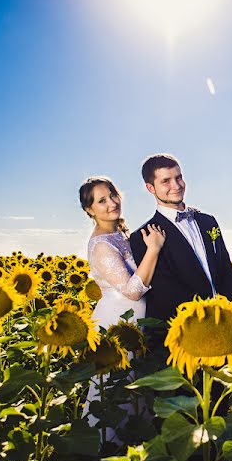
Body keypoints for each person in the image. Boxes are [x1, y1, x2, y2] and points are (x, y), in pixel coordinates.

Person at [78, 175, 166, 436]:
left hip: (135, 324)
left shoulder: (119, 234)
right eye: (101, 200)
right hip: (116, 323)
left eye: (113, 196)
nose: (111, 203)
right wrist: (154, 249)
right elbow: (132, 291)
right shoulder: (102, 245)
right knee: (116, 393)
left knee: (137, 391)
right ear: (89, 210)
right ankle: (104, 458)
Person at [129, 154, 232, 325]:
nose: (176, 185)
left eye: (178, 177)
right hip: (183, 331)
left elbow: (226, 268)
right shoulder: (143, 236)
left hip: (224, 323)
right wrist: (206, 317)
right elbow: (165, 291)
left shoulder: (208, 221)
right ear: (151, 188)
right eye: (166, 181)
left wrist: (228, 308)